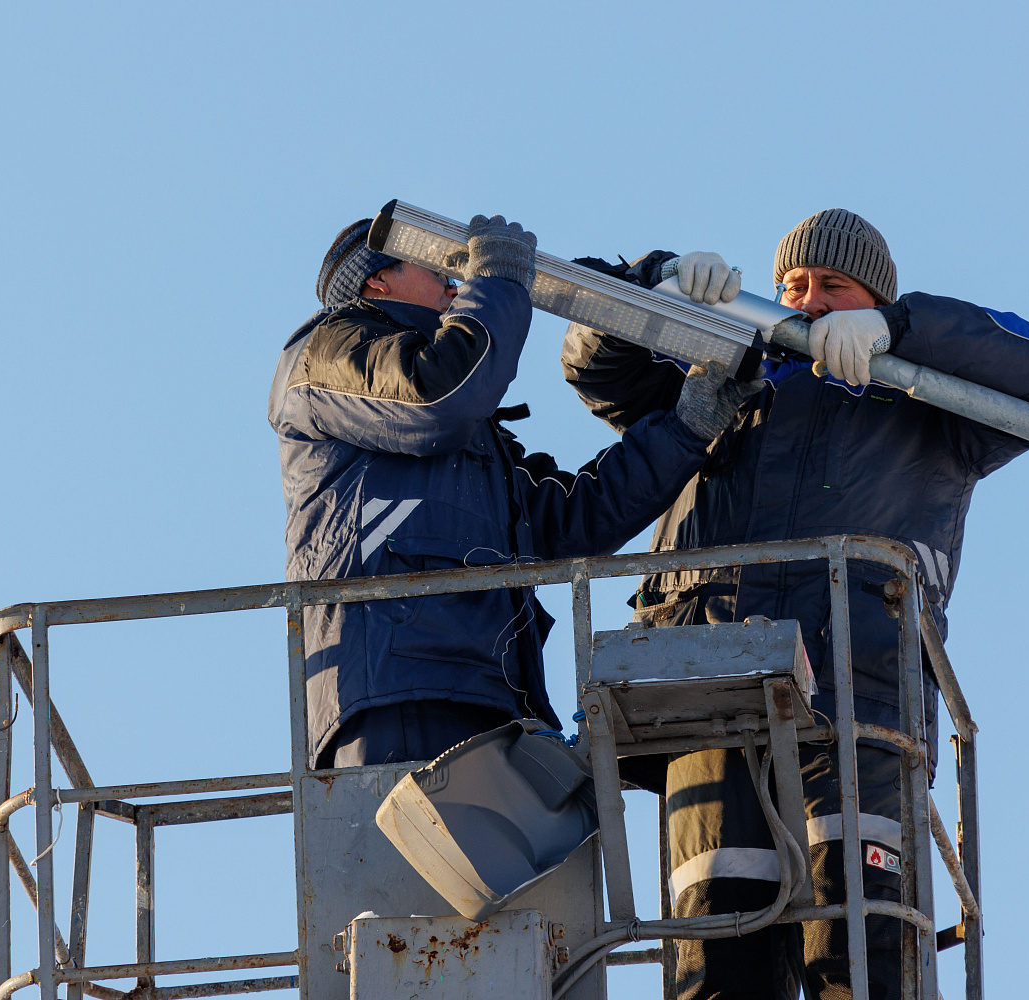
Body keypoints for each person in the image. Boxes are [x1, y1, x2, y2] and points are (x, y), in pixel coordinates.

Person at [562, 209, 1029, 1000]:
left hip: (856, 710)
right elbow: (595, 364)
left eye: (834, 285)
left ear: (874, 300)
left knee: (860, 956)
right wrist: (652, 284)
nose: (809, 300)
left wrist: (900, 332)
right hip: (711, 711)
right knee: (714, 966)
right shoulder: (720, 375)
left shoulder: (929, 402)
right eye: (794, 284)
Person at [267, 213, 761, 770]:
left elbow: (572, 522)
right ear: (376, 280)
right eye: (436, 268)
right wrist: (497, 281)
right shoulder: (327, 353)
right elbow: (441, 397)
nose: (455, 283)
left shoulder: (466, 435)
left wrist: (688, 426)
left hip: (495, 698)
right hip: (395, 691)